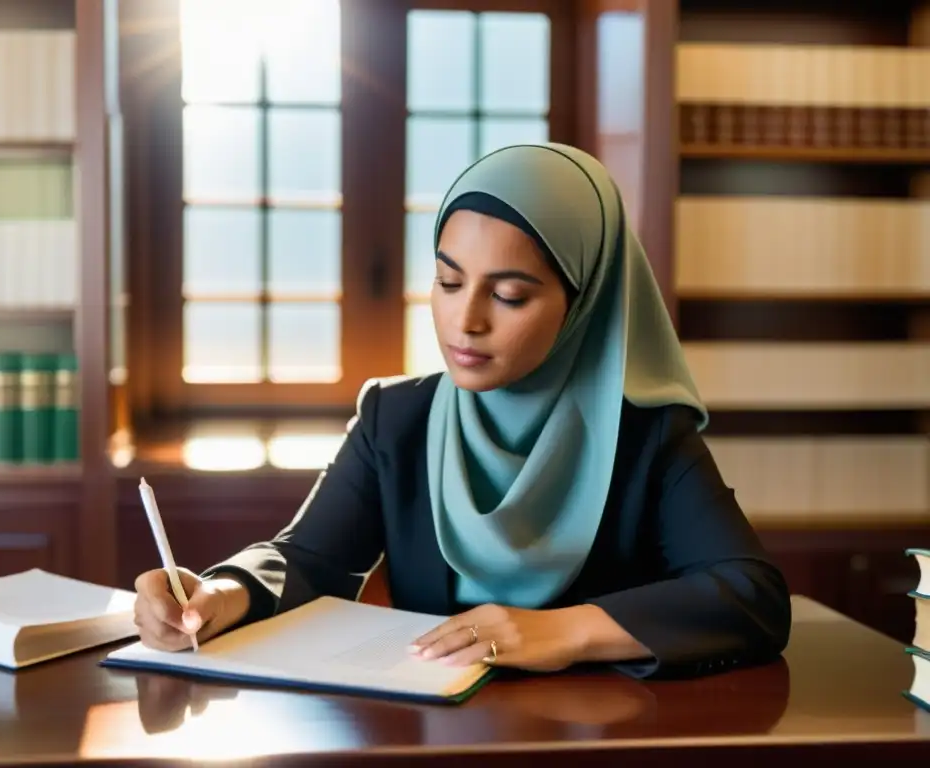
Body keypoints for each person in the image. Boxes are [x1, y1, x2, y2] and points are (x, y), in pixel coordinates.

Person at [133, 143, 792, 679]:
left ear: (583, 305)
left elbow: (751, 597)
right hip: (434, 736)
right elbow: (309, 559)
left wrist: (563, 630)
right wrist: (221, 593)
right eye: (448, 282)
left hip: (605, 741)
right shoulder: (397, 418)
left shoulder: (647, 433)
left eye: (508, 295)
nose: (464, 321)